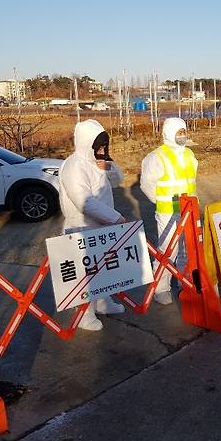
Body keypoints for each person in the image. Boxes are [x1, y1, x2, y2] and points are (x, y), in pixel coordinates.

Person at [59, 119, 127, 331]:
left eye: (104, 146)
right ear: (86, 144)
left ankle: (104, 303)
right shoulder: (73, 166)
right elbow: (83, 202)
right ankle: (83, 315)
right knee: (84, 275)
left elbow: (117, 180)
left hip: (101, 227)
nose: (101, 150)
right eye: (98, 146)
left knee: (102, 269)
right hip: (81, 228)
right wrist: (115, 218)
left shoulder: (95, 162)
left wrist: (108, 164)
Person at [140, 117, 197, 305]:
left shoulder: (189, 154)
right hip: (167, 211)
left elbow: (191, 181)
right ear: (169, 134)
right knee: (167, 251)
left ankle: (183, 282)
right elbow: (147, 185)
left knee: (186, 249)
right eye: (179, 132)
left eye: (184, 131)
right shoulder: (157, 156)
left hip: (188, 209)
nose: (182, 136)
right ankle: (161, 288)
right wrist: (160, 202)